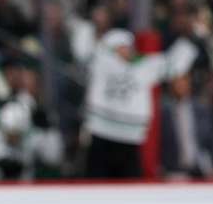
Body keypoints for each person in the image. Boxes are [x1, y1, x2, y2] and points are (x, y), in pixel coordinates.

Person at [83, 29, 193, 178]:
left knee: (129, 191)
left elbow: (173, 65)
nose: (127, 50)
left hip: (130, 141)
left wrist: (190, 41)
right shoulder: (99, 61)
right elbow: (83, 49)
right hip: (100, 137)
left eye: (128, 46)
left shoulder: (143, 67)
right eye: (120, 46)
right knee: (95, 190)